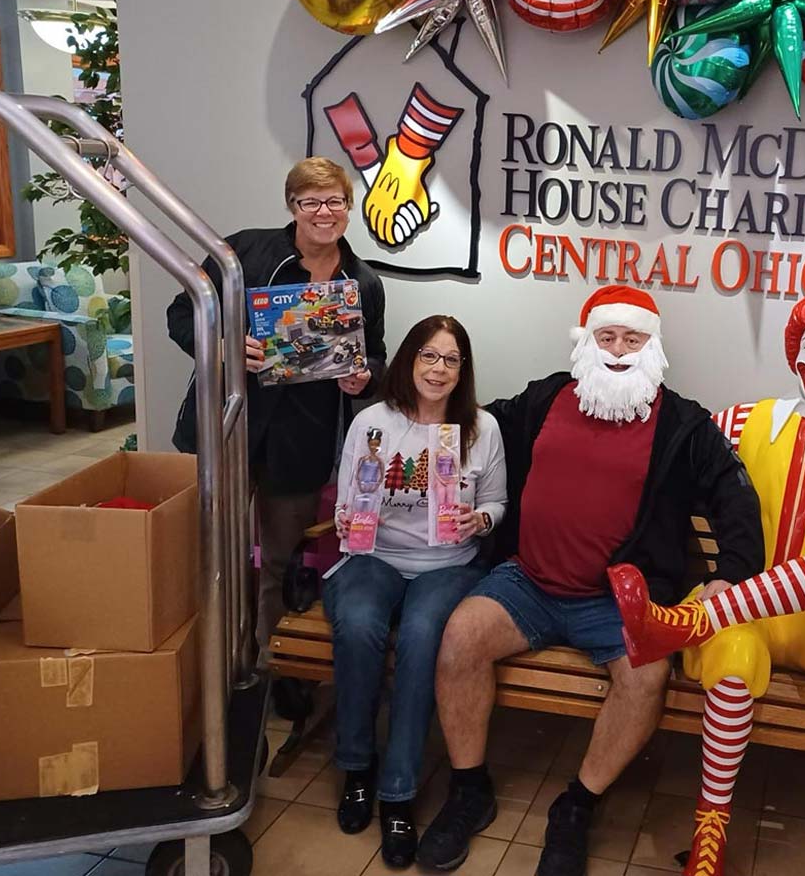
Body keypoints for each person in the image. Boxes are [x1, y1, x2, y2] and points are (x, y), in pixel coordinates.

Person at [416, 286, 763, 876]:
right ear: (586, 342)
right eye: (607, 337)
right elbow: (475, 424)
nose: (619, 350)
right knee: (460, 639)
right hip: (528, 583)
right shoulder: (545, 397)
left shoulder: (683, 424)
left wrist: (731, 574)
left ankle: (577, 806)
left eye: (633, 339)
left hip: (618, 602)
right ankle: (469, 789)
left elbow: (736, 493)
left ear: (653, 347)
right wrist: (405, 400)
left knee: (646, 677)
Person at [608, 291, 805, 876]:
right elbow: (665, 442)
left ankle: (694, 620)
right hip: (758, 622)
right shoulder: (746, 420)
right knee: (731, 667)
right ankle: (710, 836)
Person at [166, 156, 386, 653]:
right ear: (292, 206)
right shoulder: (243, 253)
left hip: (302, 443)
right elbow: (182, 313)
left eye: (335, 201)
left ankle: (269, 663)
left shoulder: (363, 283)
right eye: (311, 202)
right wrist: (224, 346)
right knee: (210, 554)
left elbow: (376, 356)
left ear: (349, 206)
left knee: (281, 564)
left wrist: (364, 378)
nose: (324, 212)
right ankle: (208, 661)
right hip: (228, 427)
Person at [325, 316, 506, 868]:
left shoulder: (481, 428)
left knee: (424, 635)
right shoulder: (371, 422)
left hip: (447, 564)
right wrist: (344, 518)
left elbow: (497, 502)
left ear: (463, 371)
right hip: (374, 557)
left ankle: (398, 794)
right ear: (409, 360)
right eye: (428, 355)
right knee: (359, 623)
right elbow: (346, 497)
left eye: (451, 359)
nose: (438, 369)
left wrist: (482, 519)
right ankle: (357, 768)